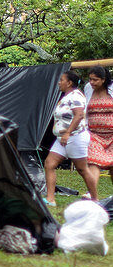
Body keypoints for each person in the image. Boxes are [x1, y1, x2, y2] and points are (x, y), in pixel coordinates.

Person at [44, 69, 98, 206]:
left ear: (69, 83)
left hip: (75, 137)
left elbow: (79, 115)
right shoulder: (66, 96)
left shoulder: (76, 96)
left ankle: (95, 200)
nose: (59, 83)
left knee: (82, 169)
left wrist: (68, 133)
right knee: (49, 164)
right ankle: (50, 199)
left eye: (61, 80)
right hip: (61, 139)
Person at [84, 64, 113, 193]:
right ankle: (92, 194)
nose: (91, 82)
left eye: (95, 80)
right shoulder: (88, 89)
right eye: (90, 79)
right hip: (95, 135)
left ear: (104, 80)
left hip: (112, 135)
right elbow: (84, 111)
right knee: (93, 162)